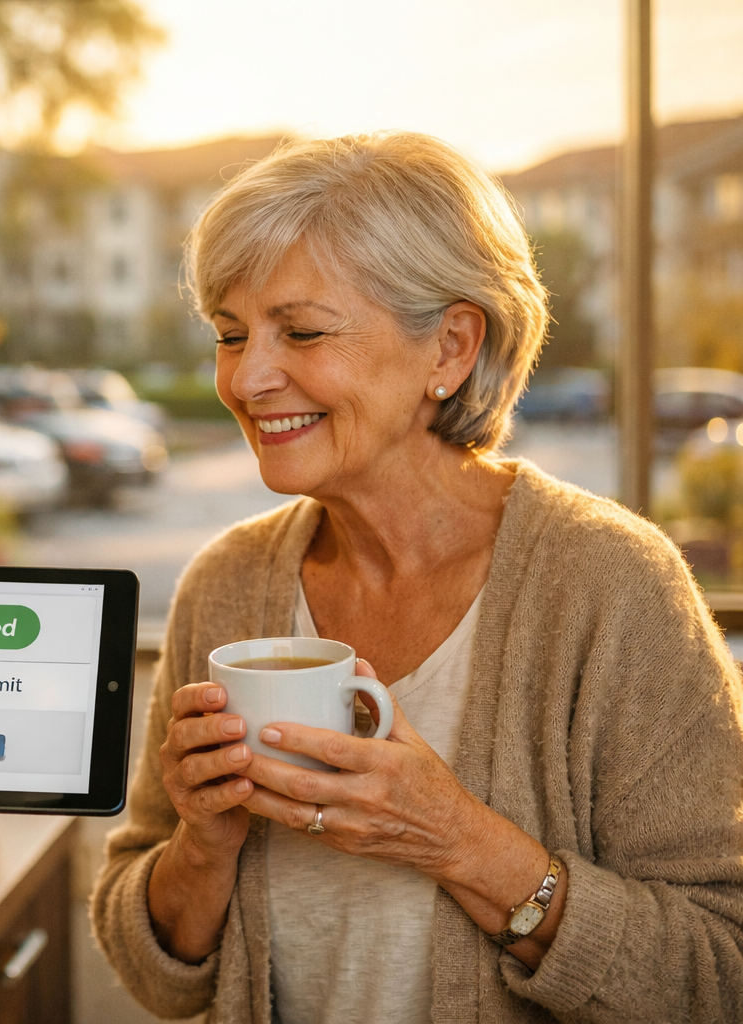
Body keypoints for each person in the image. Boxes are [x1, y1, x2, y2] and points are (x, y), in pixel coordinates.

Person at [90, 132, 743, 1023]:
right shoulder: (228, 584)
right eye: (231, 335)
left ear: (450, 348)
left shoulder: (614, 588)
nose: (247, 377)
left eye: (304, 331)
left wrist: (461, 841)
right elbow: (158, 973)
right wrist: (202, 845)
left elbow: (721, 970)